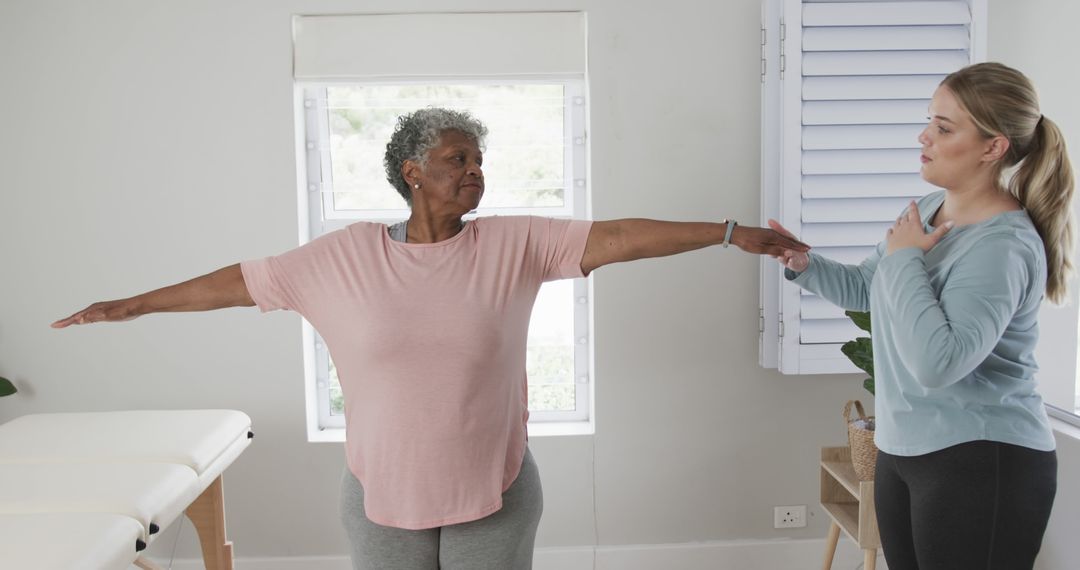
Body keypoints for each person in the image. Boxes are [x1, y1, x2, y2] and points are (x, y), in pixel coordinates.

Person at [52, 107, 809, 570]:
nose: (475, 172)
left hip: (496, 491)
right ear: (412, 172)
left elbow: (616, 236)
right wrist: (131, 306)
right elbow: (230, 284)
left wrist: (729, 232)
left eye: (479, 161)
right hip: (380, 495)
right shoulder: (339, 258)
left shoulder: (514, 244)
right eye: (458, 160)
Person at [771, 62, 1073, 570]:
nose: (924, 135)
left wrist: (908, 256)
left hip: (980, 455)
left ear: (993, 147)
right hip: (904, 448)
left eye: (944, 127)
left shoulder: (1003, 246)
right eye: (930, 120)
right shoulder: (932, 209)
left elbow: (940, 362)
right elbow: (872, 286)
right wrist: (804, 264)